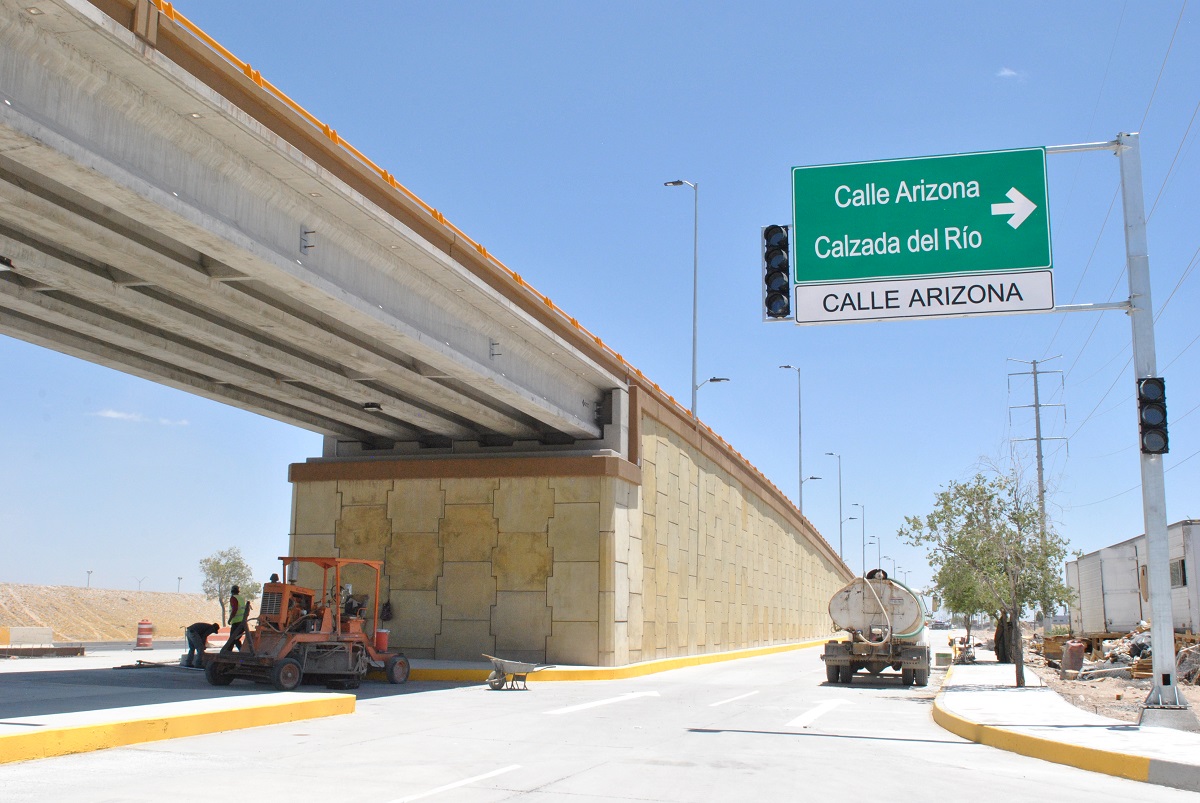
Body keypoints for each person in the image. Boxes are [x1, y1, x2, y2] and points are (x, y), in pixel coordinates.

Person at [221, 584, 252, 653]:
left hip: (237, 622)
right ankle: (241, 651)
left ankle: (227, 653)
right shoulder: (241, 598)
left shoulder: (233, 598)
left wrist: (230, 619)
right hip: (242, 622)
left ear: (232, 591)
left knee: (232, 639)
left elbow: (234, 609)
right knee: (235, 639)